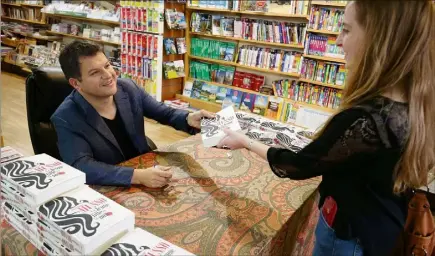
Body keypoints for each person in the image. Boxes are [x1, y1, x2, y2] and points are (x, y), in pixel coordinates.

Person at [217, 1, 434, 255]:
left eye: (347, 29)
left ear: (379, 39)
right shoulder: (415, 105)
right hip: (383, 228)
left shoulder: (363, 120)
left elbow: (299, 165)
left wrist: (244, 140)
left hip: (348, 237)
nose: (338, 41)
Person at [51, 40, 214, 187]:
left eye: (107, 66)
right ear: (76, 83)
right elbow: (82, 166)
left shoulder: (128, 88)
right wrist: (137, 176)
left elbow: (165, 113)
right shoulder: (66, 117)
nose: (108, 75)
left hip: (147, 171)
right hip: (109, 187)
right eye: (95, 73)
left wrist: (188, 118)